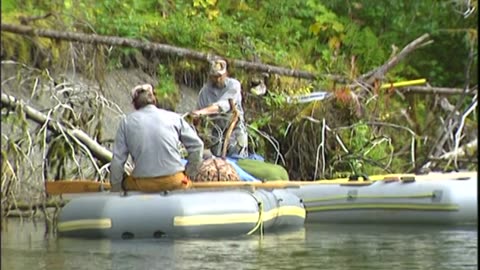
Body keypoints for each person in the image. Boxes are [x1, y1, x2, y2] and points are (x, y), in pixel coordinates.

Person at [110, 83, 204, 192]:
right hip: (174, 181)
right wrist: (188, 172)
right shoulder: (173, 117)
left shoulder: (126, 123)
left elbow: (117, 161)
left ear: (134, 104)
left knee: (125, 181)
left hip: (143, 184)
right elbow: (197, 146)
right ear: (154, 101)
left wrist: (116, 190)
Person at [190, 59, 248, 158]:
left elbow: (223, 106)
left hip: (235, 131)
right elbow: (197, 114)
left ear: (226, 73)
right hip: (216, 134)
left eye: (220, 76)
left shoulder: (234, 85)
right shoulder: (205, 91)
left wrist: (201, 112)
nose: (217, 79)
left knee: (236, 161)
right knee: (217, 163)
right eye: (214, 76)